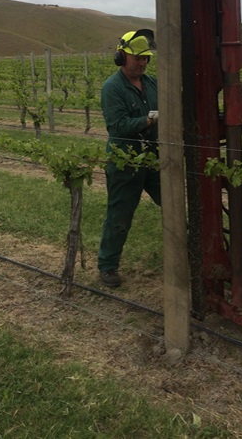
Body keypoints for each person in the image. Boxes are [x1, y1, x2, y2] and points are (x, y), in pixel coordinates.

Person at [97, 28, 161, 288]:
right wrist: (150, 119)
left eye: (146, 58)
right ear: (122, 57)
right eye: (138, 58)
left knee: (175, 206)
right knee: (119, 217)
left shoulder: (152, 83)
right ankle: (108, 266)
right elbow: (118, 126)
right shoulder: (112, 88)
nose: (143, 63)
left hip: (155, 159)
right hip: (125, 161)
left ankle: (190, 253)